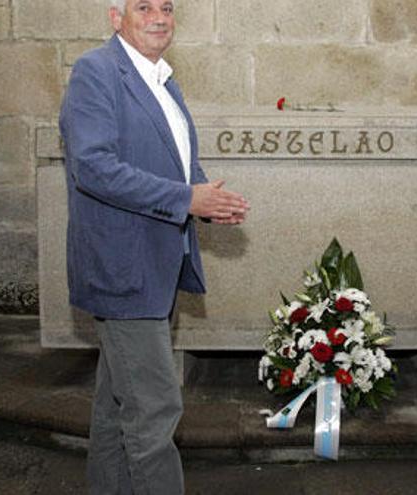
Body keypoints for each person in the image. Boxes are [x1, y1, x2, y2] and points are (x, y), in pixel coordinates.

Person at [59, 0, 249, 493]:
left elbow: (177, 162)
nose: (159, 16)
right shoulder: (96, 72)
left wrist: (207, 199)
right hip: (124, 269)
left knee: (116, 408)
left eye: (167, 6)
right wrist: (187, 198)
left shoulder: (164, 79)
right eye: (144, 6)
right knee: (156, 412)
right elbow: (94, 167)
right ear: (115, 15)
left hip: (156, 267)